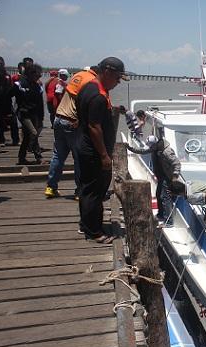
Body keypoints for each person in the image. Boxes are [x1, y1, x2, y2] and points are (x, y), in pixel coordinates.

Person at [76, 57, 127, 243]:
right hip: (94, 151)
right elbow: (94, 127)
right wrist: (104, 155)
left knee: (87, 189)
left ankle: (86, 224)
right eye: (117, 77)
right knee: (95, 192)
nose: (118, 82)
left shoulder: (89, 87)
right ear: (107, 72)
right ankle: (94, 232)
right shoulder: (98, 95)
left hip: (84, 146)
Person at [46, 66, 98, 199]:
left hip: (58, 119)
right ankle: (79, 191)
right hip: (71, 122)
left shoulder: (76, 79)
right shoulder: (89, 85)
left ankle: (51, 187)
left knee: (58, 155)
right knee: (79, 158)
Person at [124, 135, 181, 227]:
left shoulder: (166, 151)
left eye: (151, 146)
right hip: (161, 177)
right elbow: (143, 151)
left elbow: (177, 163)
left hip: (167, 177)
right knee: (158, 195)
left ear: (155, 144)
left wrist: (175, 175)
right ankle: (160, 215)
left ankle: (169, 222)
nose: (150, 148)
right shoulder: (155, 148)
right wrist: (130, 148)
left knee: (165, 197)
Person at [15, 63, 44, 165]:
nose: (39, 77)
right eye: (37, 75)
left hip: (33, 114)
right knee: (33, 133)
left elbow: (40, 103)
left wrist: (41, 117)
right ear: (31, 73)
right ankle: (39, 157)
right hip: (23, 114)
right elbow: (8, 95)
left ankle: (21, 158)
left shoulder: (37, 86)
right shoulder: (20, 84)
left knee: (27, 137)